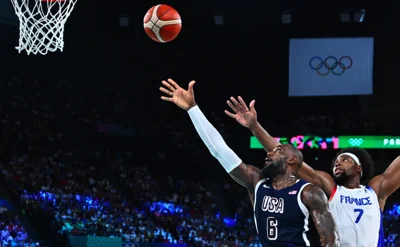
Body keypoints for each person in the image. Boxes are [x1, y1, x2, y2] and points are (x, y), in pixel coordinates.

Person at [159, 79, 339, 247]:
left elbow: (330, 240)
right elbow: (219, 151)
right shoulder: (256, 181)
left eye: (278, 151)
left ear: (293, 160)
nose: (270, 153)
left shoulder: (309, 192)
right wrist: (193, 109)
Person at [225, 96, 400, 247]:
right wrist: (254, 126)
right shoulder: (331, 188)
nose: (338, 164)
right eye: (336, 162)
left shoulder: (375, 190)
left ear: (359, 168)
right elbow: (284, 155)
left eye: (345, 160)